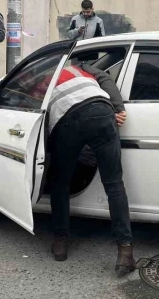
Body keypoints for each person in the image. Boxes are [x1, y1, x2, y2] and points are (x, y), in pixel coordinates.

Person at [40, 52, 134, 275]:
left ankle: (61, 242)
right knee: (114, 184)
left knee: (60, 183)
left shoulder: (42, 80)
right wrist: (118, 107)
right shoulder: (80, 68)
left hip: (66, 121)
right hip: (101, 110)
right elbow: (106, 79)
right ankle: (125, 252)